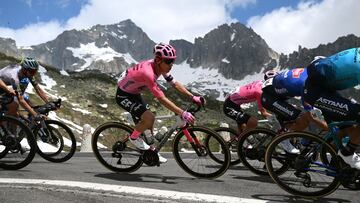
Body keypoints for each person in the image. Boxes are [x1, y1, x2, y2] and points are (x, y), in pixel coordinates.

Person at [116, 43, 205, 163]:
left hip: (134, 92)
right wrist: (182, 112)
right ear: (158, 60)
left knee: (149, 124)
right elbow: (161, 99)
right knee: (149, 117)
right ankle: (133, 138)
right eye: (168, 61)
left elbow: (174, 83)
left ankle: (151, 151)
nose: (171, 64)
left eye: (173, 61)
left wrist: (192, 96)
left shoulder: (160, 67)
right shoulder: (148, 73)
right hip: (123, 95)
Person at [300, 47, 360, 169]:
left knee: (350, 127)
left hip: (323, 90)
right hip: (316, 94)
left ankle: (337, 163)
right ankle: (346, 153)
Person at [261, 68, 328, 153]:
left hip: (275, 97)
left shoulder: (308, 73)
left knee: (297, 117)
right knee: (300, 116)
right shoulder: (306, 83)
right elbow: (310, 109)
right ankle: (282, 139)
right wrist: (325, 126)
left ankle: (294, 139)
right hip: (268, 99)